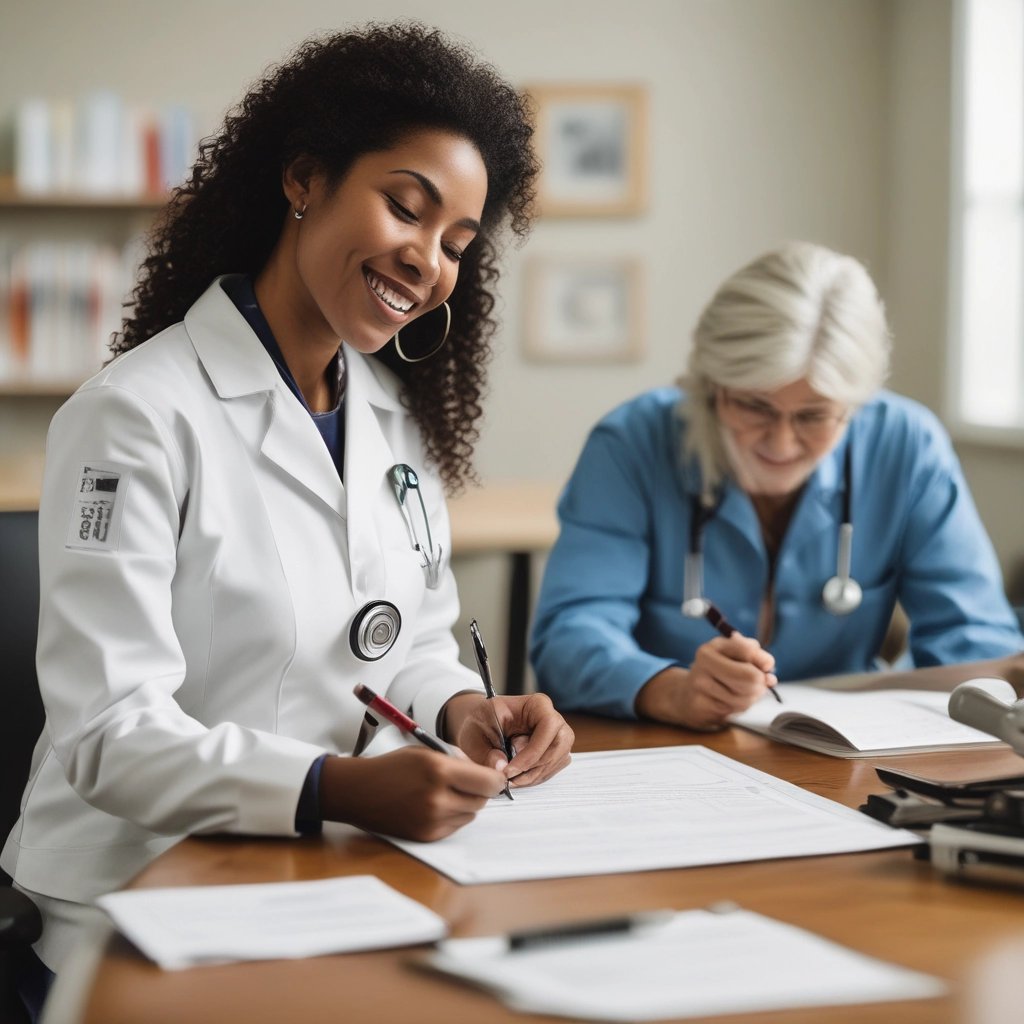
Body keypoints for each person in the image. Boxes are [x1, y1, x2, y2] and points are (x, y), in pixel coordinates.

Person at [3, 22, 574, 1004]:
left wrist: (459, 707)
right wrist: (332, 786)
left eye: (455, 243)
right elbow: (108, 733)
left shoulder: (390, 418)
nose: (428, 260)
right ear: (304, 178)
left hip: (323, 875)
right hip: (134, 902)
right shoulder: (133, 415)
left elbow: (410, 636)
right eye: (406, 207)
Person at [531, 241, 1023, 731]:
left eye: (813, 416)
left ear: (854, 407)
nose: (782, 442)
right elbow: (569, 638)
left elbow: (977, 642)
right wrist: (671, 690)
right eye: (755, 406)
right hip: (667, 745)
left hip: (848, 755)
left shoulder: (907, 446)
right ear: (711, 384)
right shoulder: (632, 444)